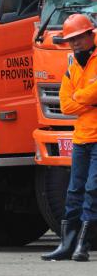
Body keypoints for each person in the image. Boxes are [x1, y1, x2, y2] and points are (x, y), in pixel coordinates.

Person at [42, 14, 97, 262]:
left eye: (78, 38)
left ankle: (83, 244)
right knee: (74, 190)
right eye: (71, 40)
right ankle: (68, 244)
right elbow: (65, 105)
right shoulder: (73, 67)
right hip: (82, 137)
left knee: (92, 190)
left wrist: (79, 98)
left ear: (90, 35)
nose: (75, 44)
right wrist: (87, 100)